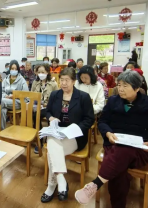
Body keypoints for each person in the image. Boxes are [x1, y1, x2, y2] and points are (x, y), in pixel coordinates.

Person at [75, 70, 148, 207]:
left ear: (136, 88)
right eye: (119, 85)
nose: (120, 89)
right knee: (120, 165)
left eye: (125, 86)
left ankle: (96, 183)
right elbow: (103, 121)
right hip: (114, 143)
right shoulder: (113, 101)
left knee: (124, 151)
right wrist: (108, 133)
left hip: (139, 150)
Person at [41, 67, 95, 203]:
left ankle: (52, 185)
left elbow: (89, 120)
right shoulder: (55, 95)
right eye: (62, 80)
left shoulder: (83, 97)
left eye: (67, 80)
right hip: (57, 132)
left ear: (73, 81)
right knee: (53, 142)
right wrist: (51, 118)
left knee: (51, 150)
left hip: (74, 136)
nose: (63, 83)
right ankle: (60, 180)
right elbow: (47, 112)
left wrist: (75, 128)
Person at [31, 63, 59, 154]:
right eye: (39, 72)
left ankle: (48, 137)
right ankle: (39, 140)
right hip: (37, 106)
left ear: (47, 72)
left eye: (43, 72)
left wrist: (46, 104)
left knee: (42, 115)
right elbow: (31, 94)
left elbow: (57, 98)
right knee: (34, 114)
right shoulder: (35, 83)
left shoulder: (53, 83)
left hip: (48, 107)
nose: (41, 74)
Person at [0, 60, 28, 130]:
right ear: (10, 69)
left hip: (18, 102)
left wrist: (15, 96)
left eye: (16, 69)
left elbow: (25, 93)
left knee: (0, 102)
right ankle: (1, 130)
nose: (14, 70)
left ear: (18, 70)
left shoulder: (22, 80)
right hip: (6, 100)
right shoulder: (6, 79)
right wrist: (6, 96)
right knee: (2, 110)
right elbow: (1, 91)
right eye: (12, 68)